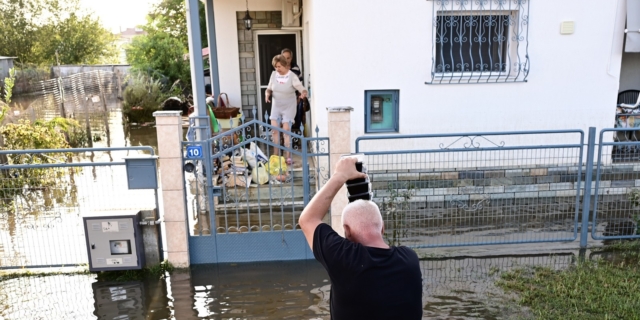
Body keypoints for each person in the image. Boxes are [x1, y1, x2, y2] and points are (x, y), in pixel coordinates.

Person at [298, 157, 423, 320]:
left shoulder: (345, 260)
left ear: (347, 231)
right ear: (383, 227)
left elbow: (308, 219)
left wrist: (340, 175)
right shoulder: (410, 260)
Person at [265, 54, 308, 164]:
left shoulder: (292, 76)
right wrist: (267, 94)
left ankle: (288, 156)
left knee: (286, 130)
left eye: (279, 66)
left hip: (289, 105)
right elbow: (269, 89)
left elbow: (302, 89)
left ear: (285, 65)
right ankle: (275, 156)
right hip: (276, 105)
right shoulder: (274, 74)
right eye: (275, 66)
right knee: (275, 130)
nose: (277, 69)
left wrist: (303, 94)